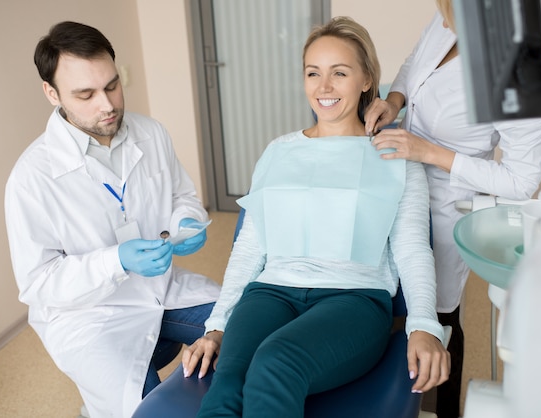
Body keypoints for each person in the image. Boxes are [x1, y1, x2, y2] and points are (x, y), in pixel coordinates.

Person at [181, 16, 450, 417]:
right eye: (313, 73)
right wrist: (217, 324)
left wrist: (424, 325)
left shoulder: (396, 156)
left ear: (365, 80)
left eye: (339, 73)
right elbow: (251, 245)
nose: (323, 87)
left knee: (275, 362)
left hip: (354, 299)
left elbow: (412, 248)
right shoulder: (278, 151)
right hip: (270, 292)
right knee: (228, 386)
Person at [4, 21, 220, 418]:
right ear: (51, 93)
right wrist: (115, 261)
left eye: (112, 85)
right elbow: (39, 283)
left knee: (251, 327)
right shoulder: (30, 179)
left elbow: (181, 197)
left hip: (162, 290)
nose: (107, 105)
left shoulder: (150, 133)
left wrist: (186, 223)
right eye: (85, 94)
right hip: (92, 319)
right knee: (152, 410)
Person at [364, 1, 541, 417]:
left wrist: (430, 152)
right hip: (398, 175)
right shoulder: (453, 18)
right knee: (388, 291)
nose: (444, 15)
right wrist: (394, 101)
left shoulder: (525, 68)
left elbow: (521, 181)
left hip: (447, 198)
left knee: (439, 310)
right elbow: (416, 64)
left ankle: (446, 408)